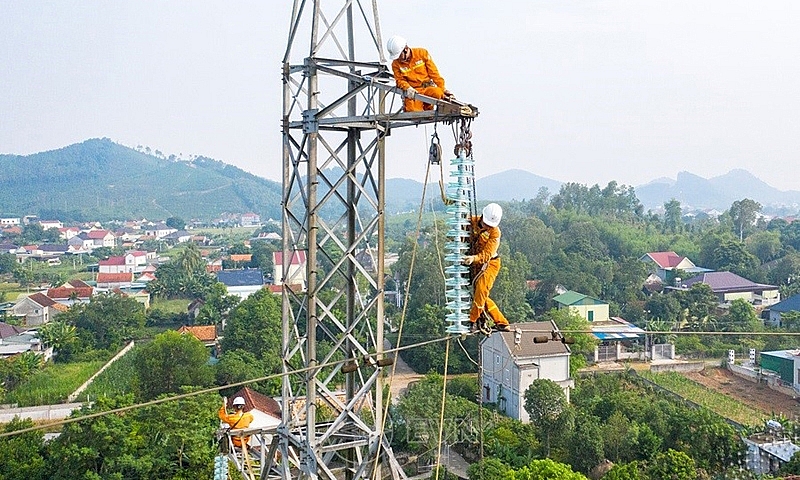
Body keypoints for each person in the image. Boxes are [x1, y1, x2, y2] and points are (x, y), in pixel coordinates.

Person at [463, 203, 510, 333]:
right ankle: (502, 322)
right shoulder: (473, 221)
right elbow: (464, 222)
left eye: (490, 225)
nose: (487, 227)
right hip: (476, 264)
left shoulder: (495, 234)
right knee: (481, 295)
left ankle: (472, 320)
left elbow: (486, 255)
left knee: (481, 290)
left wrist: (473, 258)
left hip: (490, 263)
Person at [387, 35, 453, 112]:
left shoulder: (422, 53)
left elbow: (434, 74)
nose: (398, 59)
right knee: (412, 110)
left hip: (427, 88)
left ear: (405, 50)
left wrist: (443, 89)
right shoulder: (395, 64)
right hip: (414, 91)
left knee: (437, 93)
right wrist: (407, 88)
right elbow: (399, 80)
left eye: (399, 56)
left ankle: (428, 108)